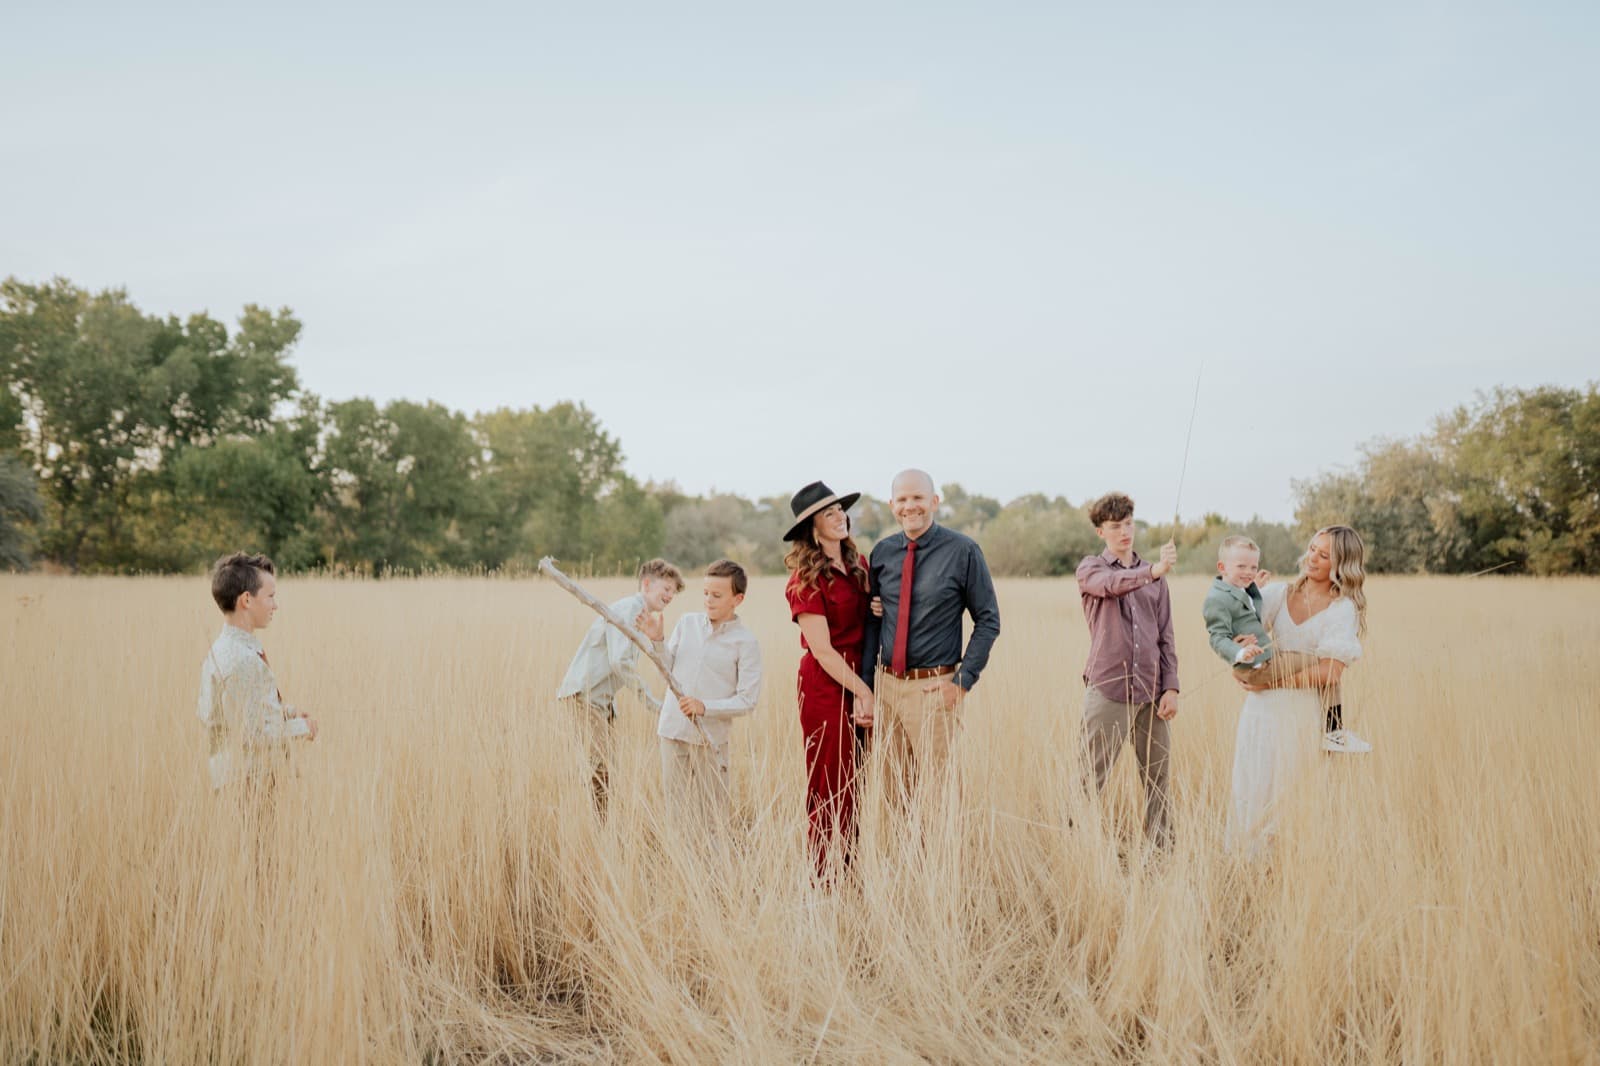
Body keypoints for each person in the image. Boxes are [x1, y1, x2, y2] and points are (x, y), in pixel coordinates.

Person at [859, 469, 1000, 805]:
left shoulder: (963, 551)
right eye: (903, 500)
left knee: (939, 793)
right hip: (887, 687)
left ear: (934, 501)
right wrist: (868, 688)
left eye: (918, 498)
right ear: (892, 505)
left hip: (934, 688)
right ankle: (903, 860)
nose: (911, 506)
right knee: (894, 792)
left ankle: (943, 858)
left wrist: (962, 682)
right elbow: (873, 620)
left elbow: (988, 620)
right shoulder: (882, 553)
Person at [1226, 525, 1369, 858]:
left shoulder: (1342, 609)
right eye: (1312, 548)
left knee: (1290, 796)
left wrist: (1275, 677)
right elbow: (1241, 644)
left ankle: (1288, 876)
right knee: (1253, 788)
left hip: (1302, 715)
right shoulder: (1277, 594)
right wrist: (1245, 603)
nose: (1312, 558)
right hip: (1260, 712)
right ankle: (1248, 873)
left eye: (1324, 554)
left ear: (1341, 563)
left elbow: (1331, 670)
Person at [1075, 492, 1179, 850]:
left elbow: (1165, 635)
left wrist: (1172, 687)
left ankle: (1160, 853)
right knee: (1090, 778)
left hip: (1152, 692)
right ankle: (1078, 848)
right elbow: (1110, 586)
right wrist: (1152, 572)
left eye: (1129, 524)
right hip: (1109, 689)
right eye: (1116, 526)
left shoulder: (1155, 577)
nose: (1125, 532)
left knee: (1158, 778)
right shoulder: (1091, 569)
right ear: (1101, 532)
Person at [783, 481, 874, 876]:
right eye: (829, 514)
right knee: (829, 782)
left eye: (840, 510)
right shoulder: (804, 579)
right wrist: (864, 692)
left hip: (862, 672)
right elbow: (821, 649)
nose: (840, 518)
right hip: (826, 683)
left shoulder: (859, 565)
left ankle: (852, 869)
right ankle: (826, 877)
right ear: (813, 528)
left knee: (860, 782)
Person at [647, 559, 763, 848]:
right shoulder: (687, 624)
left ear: (738, 599)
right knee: (676, 815)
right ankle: (680, 879)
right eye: (706, 593)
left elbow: (748, 700)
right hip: (672, 731)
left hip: (710, 740)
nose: (708, 600)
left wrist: (705, 707)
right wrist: (658, 642)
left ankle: (712, 882)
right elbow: (667, 670)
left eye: (717, 595)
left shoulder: (745, 642)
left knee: (711, 819)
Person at [555, 558, 684, 815]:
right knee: (599, 766)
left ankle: (600, 821)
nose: (670, 596)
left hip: (601, 702)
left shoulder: (640, 616)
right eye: (666, 588)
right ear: (646, 584)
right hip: (585, 697)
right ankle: (596, 823)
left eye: (673, 592)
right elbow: (619, 661)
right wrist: (652, 703)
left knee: (604, 765)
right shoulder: (628, 609)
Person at [196, 552, 317, 794]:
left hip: (232, 777)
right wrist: (303, 727)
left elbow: (239, 713)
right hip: (248, 782)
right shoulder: (241, 661)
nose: (275, 605)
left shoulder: (222, 649)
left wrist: (287, 714)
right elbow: (254, 734)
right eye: (270, 596)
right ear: (247, 601)